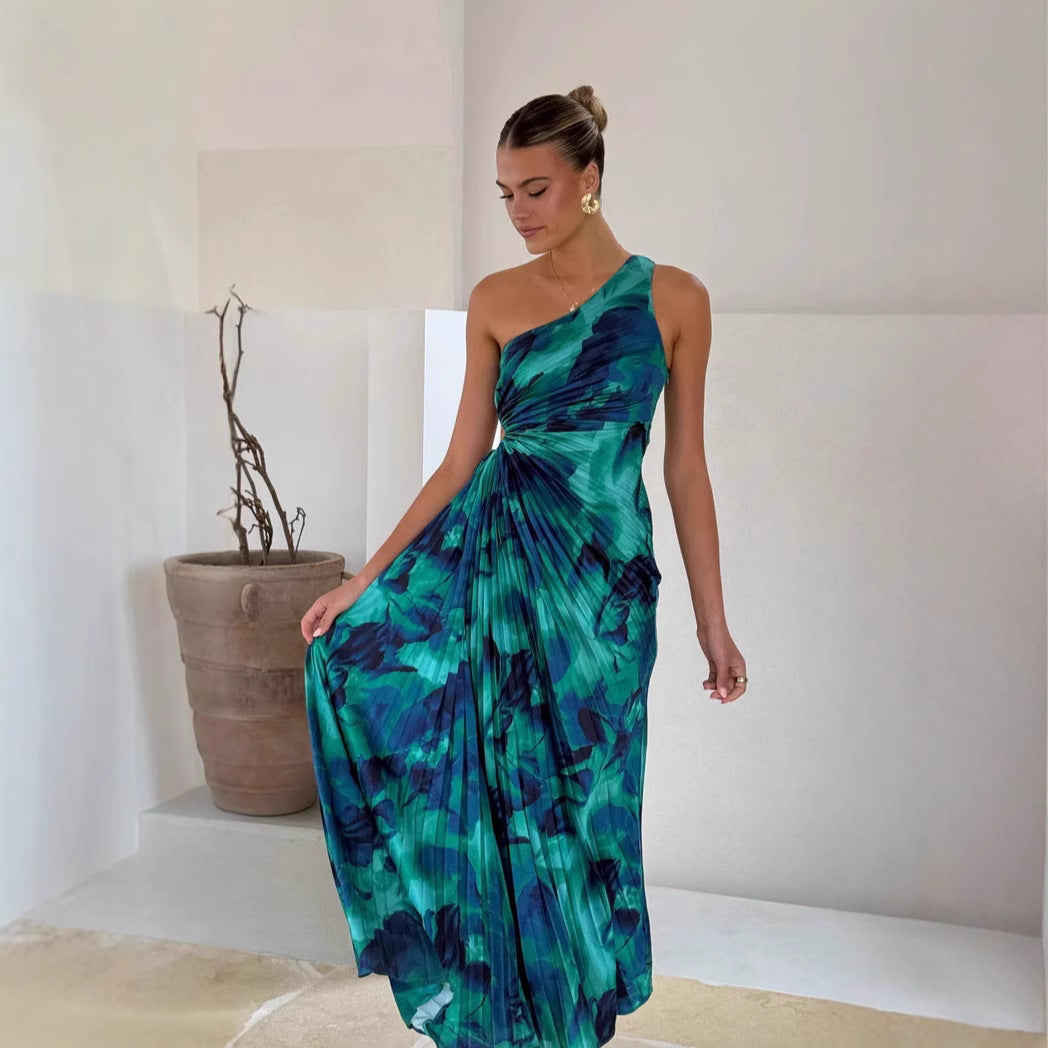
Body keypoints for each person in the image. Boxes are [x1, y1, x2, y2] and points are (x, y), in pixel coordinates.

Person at [299, 84, 747, 1048]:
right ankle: (514, 1020)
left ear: (590, 179)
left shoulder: (675, 300)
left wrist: (714, 622)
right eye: (505, 194)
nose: (518, 212)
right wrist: (366, 580)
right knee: (508, 797)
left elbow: (686, 468)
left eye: (535, 189)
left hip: (604, 595)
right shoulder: (495, 301)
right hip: (498, 571)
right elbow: (462, 459)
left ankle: (574, 1017)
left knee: (589, 807)